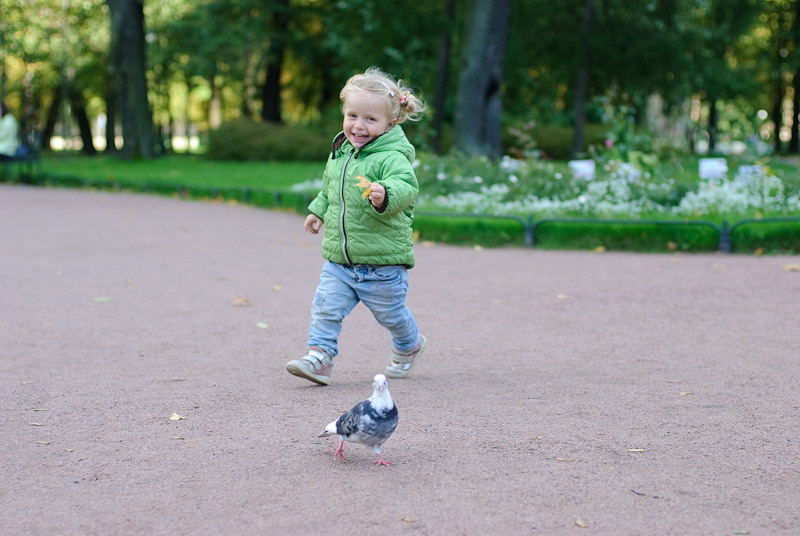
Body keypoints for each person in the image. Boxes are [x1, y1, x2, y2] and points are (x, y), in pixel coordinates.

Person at [285, 67, 428, 386]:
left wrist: (385, 194)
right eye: (352, 115)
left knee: (391, 316)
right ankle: (319, 357)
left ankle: (409, 344)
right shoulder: (341, 152)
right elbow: (330, 187)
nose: (358, 125)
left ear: (391, 122)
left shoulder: (392, 157)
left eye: (370, 119)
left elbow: (406, 187)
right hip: (340, 261)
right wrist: (318, 210)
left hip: (382, 265)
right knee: (325, 307)